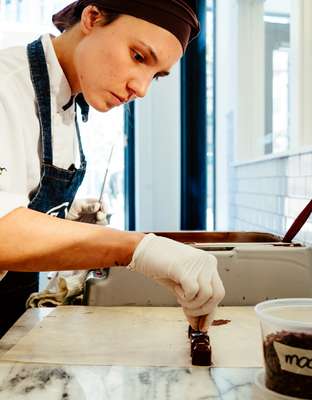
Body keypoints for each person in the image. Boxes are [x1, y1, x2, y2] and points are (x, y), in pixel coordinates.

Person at [0, 0, 225, 337]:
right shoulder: (7, 85)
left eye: (156, 76)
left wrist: (61, 221)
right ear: (92, 17)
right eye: (138, 57)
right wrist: (135, 247)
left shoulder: (66, 101)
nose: (141, 88)